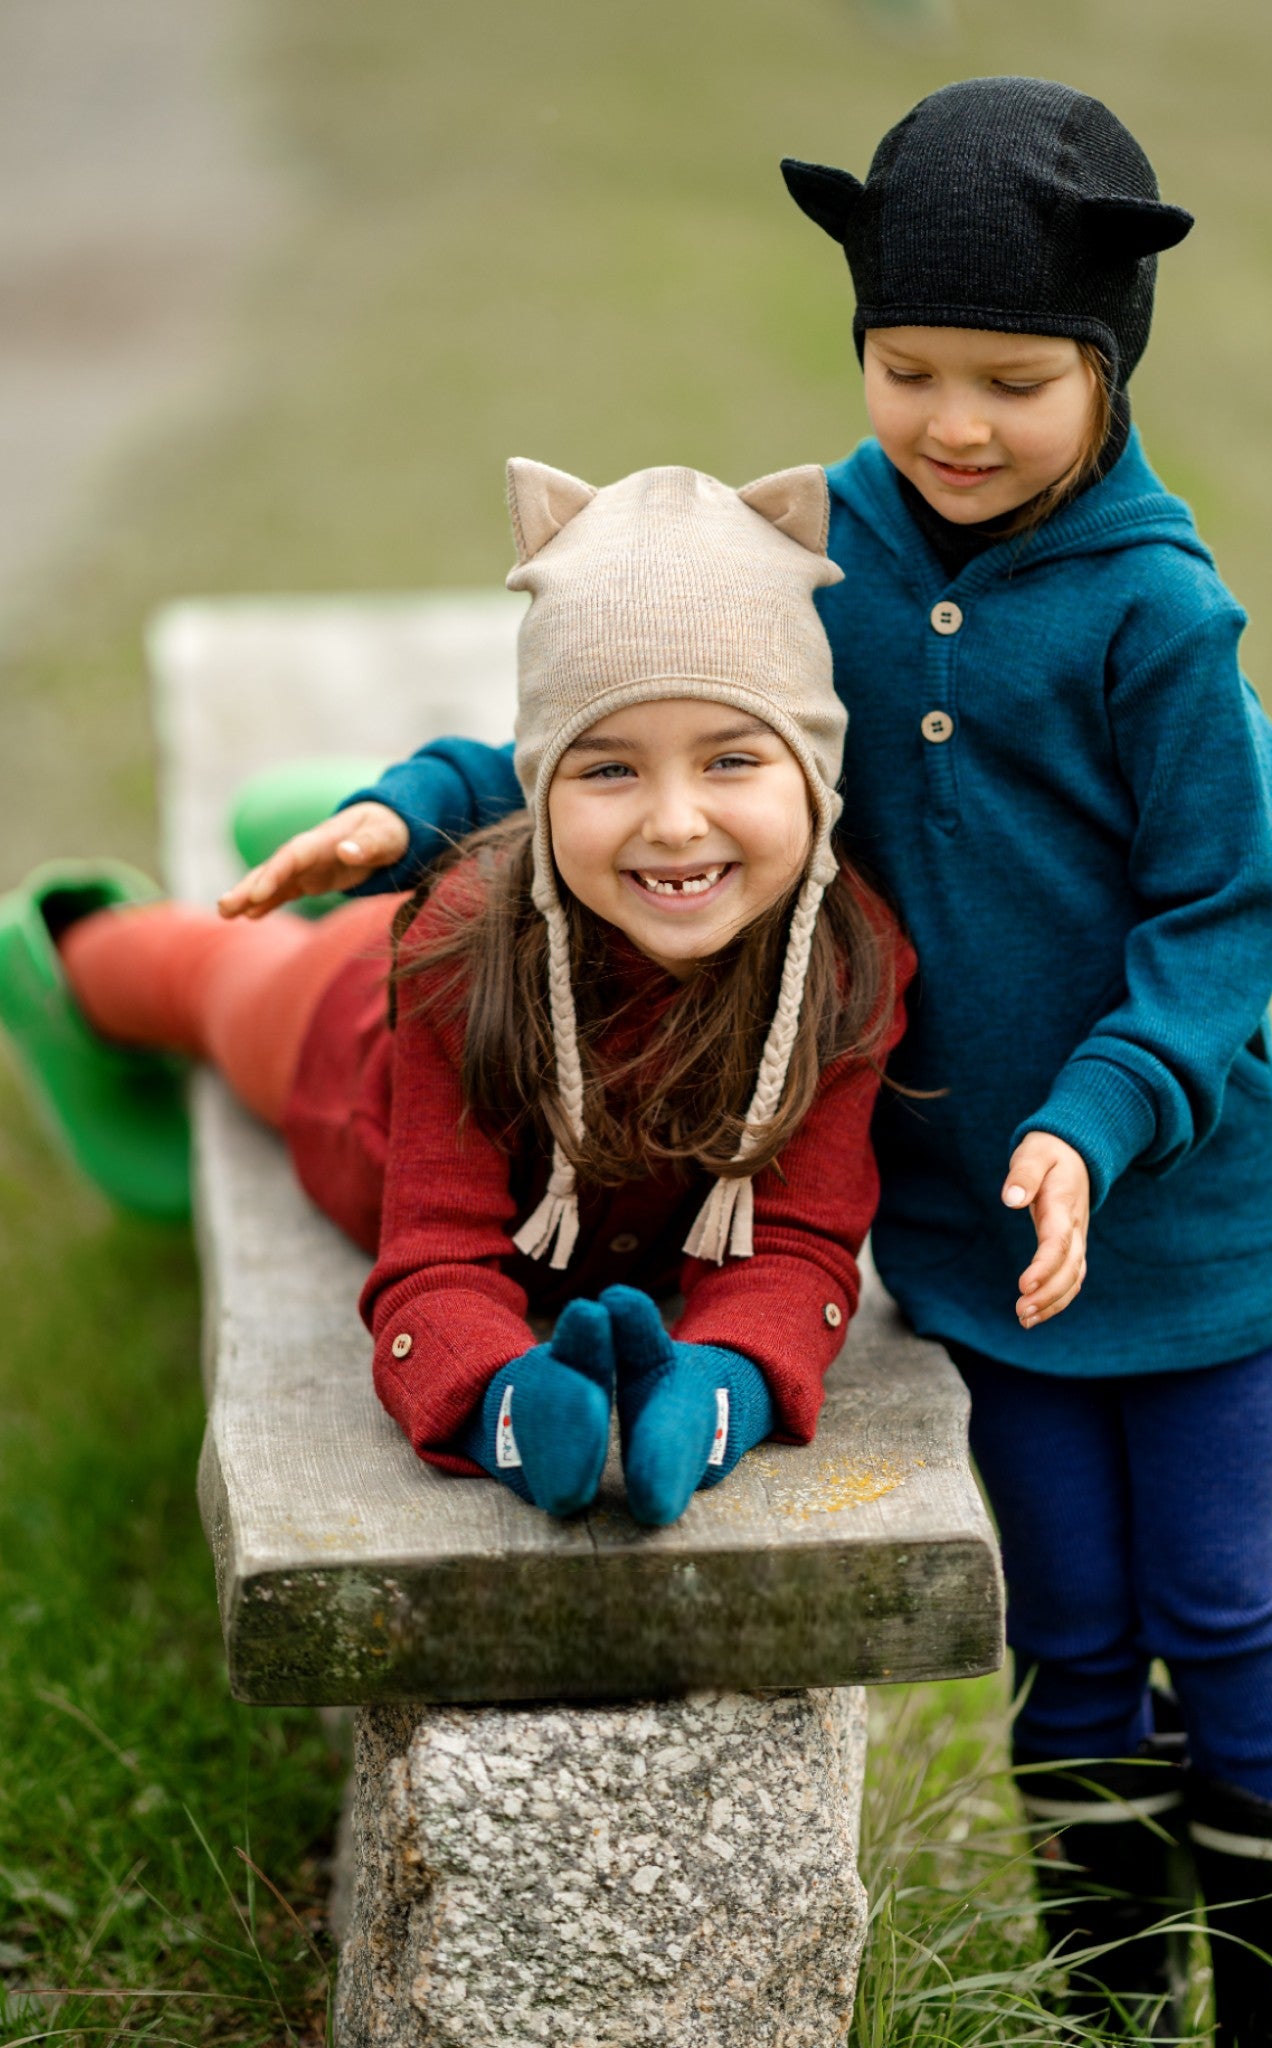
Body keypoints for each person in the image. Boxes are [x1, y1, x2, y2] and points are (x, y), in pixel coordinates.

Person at [214, 78, 1272, 2046]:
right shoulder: (829, 535)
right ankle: (1103, 1995)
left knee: (1218, 1599)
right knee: (1069, 1623)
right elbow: (620, 675)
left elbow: (1215, 925)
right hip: (957, 1222)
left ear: (1108, 367)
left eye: (1014, 379)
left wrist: (1100, 1117)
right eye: (906, 368)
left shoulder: (1160, 622)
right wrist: (405, 810)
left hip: (1169, 1221)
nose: (952, 424)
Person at [0, 459, 914, 1530]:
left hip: (526, 900)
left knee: (396, 856)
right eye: (609, 769)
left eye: (731, 761)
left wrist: (729, 1379)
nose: (675, 821)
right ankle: (62, 947)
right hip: (343, 1037)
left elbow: (798, 1244)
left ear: (812, 773)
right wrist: (503, 1400)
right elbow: (434, 1261)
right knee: (217, 973)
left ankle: (382, 821)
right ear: (543, 787)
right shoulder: (459, 945)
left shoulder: (844, 963)